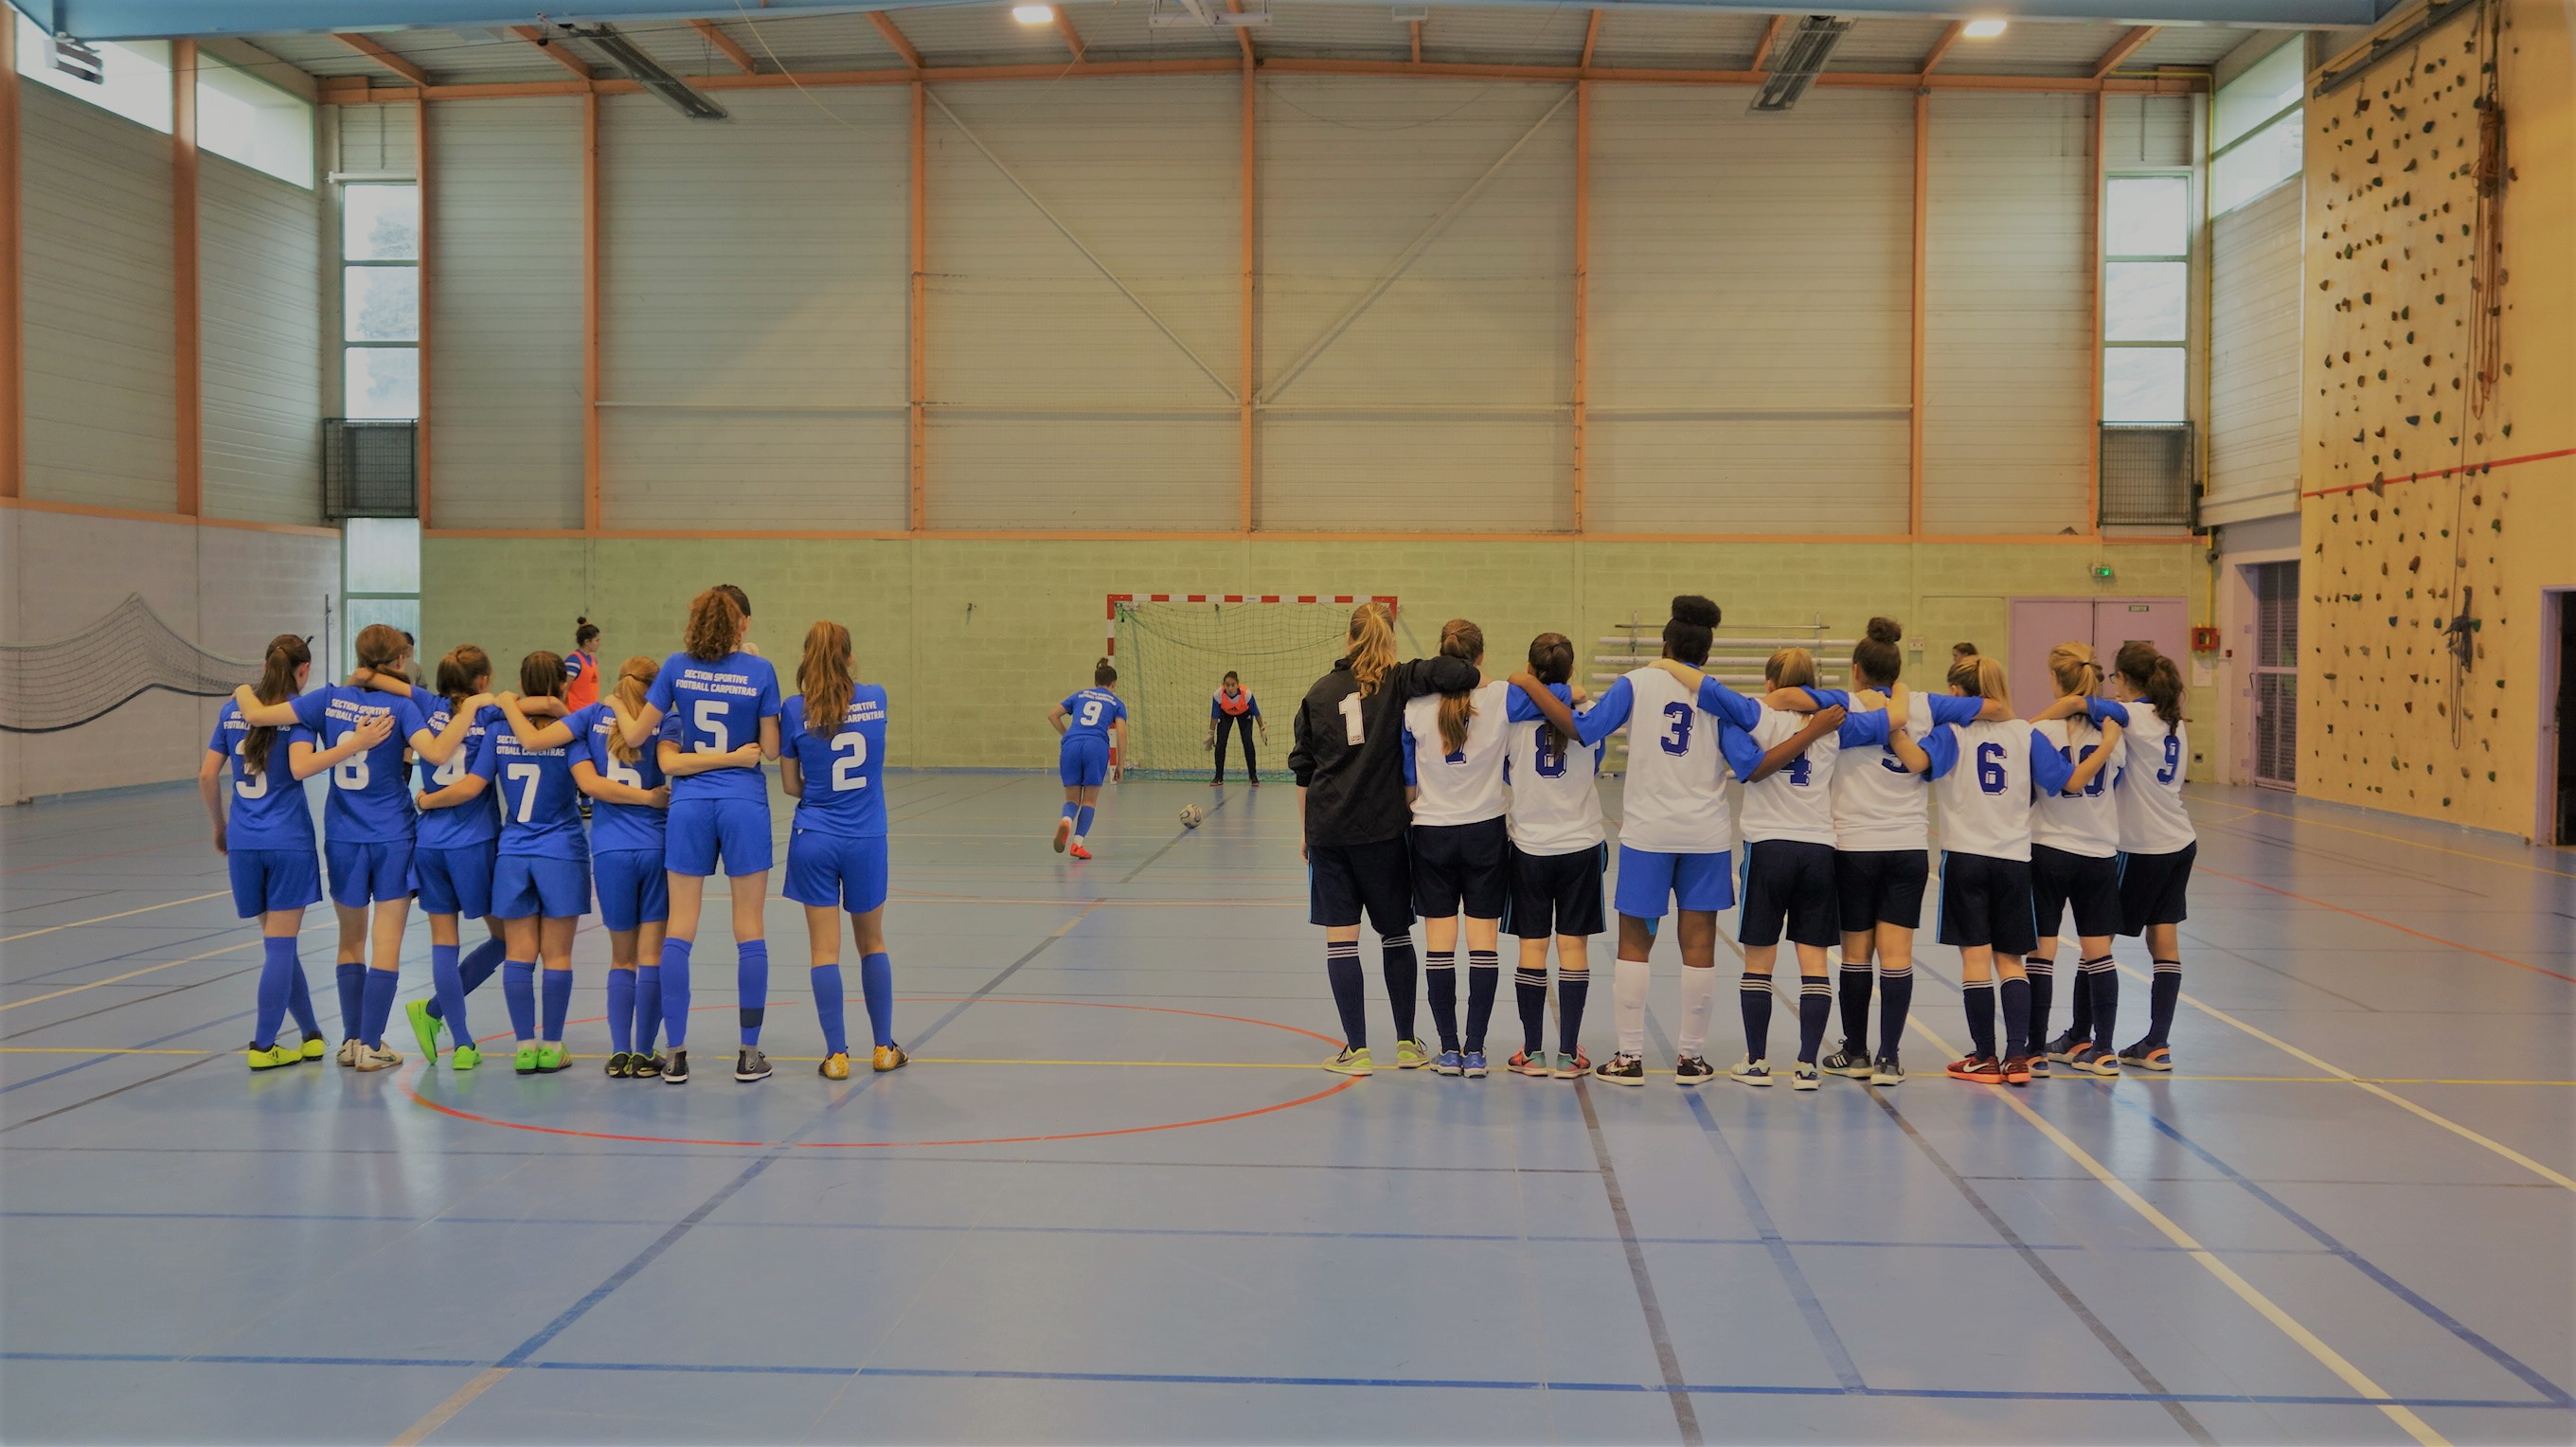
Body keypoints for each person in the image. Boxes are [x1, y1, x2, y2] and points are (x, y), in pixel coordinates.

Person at [1512, 596, 1750, 1088]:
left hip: (1648, 833)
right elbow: (1745, 758)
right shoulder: (1715, 694)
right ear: (1706, 653)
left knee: (1635, 944)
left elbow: (1583, 729)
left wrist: (1531, 684)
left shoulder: (1635, 683)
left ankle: (1629, 1056)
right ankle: (1691, 1058)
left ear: (1664, 644)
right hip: (1705, 835)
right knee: (1700, 944)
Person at [228, 623, 480, 1071]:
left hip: (343, 836)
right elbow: (438, 753)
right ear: (399, 661)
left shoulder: (326, 699)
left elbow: (260, 716)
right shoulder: (401, 707)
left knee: (350, 940)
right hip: (392, 836)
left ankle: (349, 1041)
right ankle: (371, 1044)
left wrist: (243, 692)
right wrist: (470, 711)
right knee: (387, 942)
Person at [1772, 618, 1999, 1088]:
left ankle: (1856, 1051)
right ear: (1897, 669)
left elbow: (1787, 696)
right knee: (1897, 957)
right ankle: (1890, 1058)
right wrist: (1905, 698)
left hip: (1855, 846)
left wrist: (1877, 707)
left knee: (1856, 956)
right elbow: (1996, 707)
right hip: (1907, 847)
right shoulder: (1928, 705)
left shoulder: (1844, 704)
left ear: (1856, 669)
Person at [1291, 602, 1480, 1076]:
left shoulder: (1318, 692)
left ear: (1348, 638)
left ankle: (1356, 1050)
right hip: (1383, 832)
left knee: (1342, 940)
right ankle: (1406, 1043)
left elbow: (1303, 771)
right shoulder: (1399, 681)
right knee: (1395, 934)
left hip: (1329, 830)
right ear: (1390, 640)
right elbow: (1462, 672)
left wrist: (1306, 832)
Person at [613, 586, 782, 1086]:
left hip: (688, 805)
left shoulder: (674, 666)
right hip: (743, 802)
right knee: (749, 927)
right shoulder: (760, 670)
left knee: (680, 928)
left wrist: (615, 705)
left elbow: (637, 736)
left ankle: (676, 1055)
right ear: (741, 624)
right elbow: (771, 749)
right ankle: (748, 1054)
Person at [1914, 656, 2109, 1084]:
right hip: (2015, 860)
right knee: (2012, 961)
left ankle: (1985, 1055)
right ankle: (2018, 1055)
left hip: (1965, 856)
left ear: (1957, 693)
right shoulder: (2026, 733)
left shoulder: (1950, 731)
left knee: (1975, 960)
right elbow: (2066, 781)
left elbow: (1917, 764)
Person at [201, 635, 369, 1069]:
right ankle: (262, 1046)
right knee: (281, 945)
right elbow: (300, 767)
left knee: (279, 945)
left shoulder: (232, 709)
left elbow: (206, 775)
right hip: (287, 841)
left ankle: (311, 1034)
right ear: (303, 670)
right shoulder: (298, 712)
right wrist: (350, 745)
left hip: (244, 842)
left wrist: (220, 826)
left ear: (264, 666)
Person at [440, 653, 593, 1075]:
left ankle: (525, 1047)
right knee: (557, 956)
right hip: (561, 851)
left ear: (522, 684)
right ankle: (552, 1046)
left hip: (514, 853)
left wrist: (428, 800)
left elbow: (474, 784)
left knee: (520, 955)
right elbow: (589, 783)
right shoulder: (570, 732)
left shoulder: (498, 729)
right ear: (563, 685)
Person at [779, 621, 907, 1080]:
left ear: (806, 658)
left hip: (814, 837)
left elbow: (790, 785)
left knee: (824, 951)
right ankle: (883, 1048)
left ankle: (836, 1056)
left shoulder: (793, 709)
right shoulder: (877, 697)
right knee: (872, 942)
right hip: (865, 838)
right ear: (849, 657)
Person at [400, 646, 536, 1072]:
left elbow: (378, 679)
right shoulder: (490, 716)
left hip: (429, 843)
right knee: (508, 940)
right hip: (473, 843)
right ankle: (435, 1013)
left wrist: (425, 800)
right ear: (482, 680)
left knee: (444, 942)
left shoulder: (425, 706)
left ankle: (460, 1042)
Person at [2064, 641, 2194, 1072]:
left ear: (2124, 678)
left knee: (2096, 940)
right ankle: (2157, 1043)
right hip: (2179, 841)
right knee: (2164, 941)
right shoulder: (2172, 719)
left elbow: (2078, 703)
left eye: (2114, 678)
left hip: (2139, 847)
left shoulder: (2129, 714)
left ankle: (2082, 1036)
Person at [1401, 620, 1513, 1077]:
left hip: (1432, 832)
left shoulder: (1415, 706)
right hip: (1486, 831)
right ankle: (1477, 1049)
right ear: (1479, 657)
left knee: (1439, 947)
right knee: (1483, 944)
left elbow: (1408, 783)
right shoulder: (1502, 697)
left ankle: (1449, 1049)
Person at [1498, 633, 1602, 1081]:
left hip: (1530, 847)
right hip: (1580, 844)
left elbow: (1506, 771)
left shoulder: (1511, 719)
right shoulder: (1589, 712)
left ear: (1530, 668)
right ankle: (1568, 1053)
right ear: (1571, 671)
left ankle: (1533, 1051)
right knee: (1573, 946)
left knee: (1533, 946)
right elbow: (1595, 764)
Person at [2024, 643, 2127, 1078]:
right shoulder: (2115, 734)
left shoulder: (2039, 732)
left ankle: (2034, 1049)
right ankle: (2103, 1048)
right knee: (2098, 954)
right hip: (2098, 851)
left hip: (2048, 847)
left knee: (2041, 954)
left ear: (2055, 680)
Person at [576, 657, 672, 1078]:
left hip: (610, 849)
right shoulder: (666, 721)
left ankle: (619, 1053)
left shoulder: (591, 719)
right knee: (651, 957)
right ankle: (645, 1053)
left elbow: (589, 784)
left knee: (621, 959)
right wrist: (651, 798)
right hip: (655, 846)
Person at [1048, 660, 1127, 861]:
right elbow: (1121, 734)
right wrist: (1120, 765)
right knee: (1089, 801)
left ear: (1095, 682)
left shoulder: (1079, 695)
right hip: (1096, 746)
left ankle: (1066, 820)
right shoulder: (1116, 703)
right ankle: (1077, 844)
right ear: (1114, 684)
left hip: (1071, 745)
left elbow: (1053, 715)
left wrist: (1067, 735)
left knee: (1071, 800)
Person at [1208, 670, 1266, 787]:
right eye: (1227, 685)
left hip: (1244, 714)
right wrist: (1210, 733)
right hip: (1226, 713)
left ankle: (1253, 777)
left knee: (1247, 741)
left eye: (1233, 685)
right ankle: (1218, 777)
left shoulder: (1246, 694)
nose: (1230, 688)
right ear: (1223, 685)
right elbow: (1214, 715)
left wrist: (1262, 729)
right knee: (1221, 743)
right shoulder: (1218, 695)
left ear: (1237, 685)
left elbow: (1256, 712)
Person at [564, 618, 602, 711]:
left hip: (590, 712)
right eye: (597, 640)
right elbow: (564, 689)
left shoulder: (593, 660)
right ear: (587, 642)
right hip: (575, 712)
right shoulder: (574, 661)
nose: (599, 644)